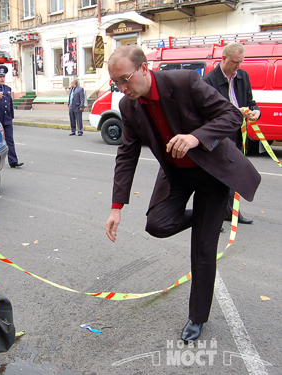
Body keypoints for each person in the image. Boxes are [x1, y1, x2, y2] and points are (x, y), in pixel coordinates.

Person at [105, 46, 260, 344]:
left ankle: (197, 317)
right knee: (157, 224)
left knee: (203, 250)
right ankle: (208, 221)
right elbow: (126, 154)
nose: (123, 89)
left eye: (126, 80)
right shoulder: (129, 106)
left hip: (212, 171)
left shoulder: (185, 81)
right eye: (117, 84)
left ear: (144, 68)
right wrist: (116, 207)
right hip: (177, 173)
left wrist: (195, 137)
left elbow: (232, 116)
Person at [203, 42, 260, 225]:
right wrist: (235, 113)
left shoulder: (243, 76)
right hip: (220, 135)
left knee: (235, 174)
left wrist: (255, 112)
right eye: (235, 62)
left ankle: (232, 212)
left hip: (238, 133)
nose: (238, 66)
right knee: (216, 177)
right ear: (224, 59)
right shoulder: (209, 80)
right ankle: (213, 217)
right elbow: (207, 112)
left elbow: (251, 102)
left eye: (241, 62)